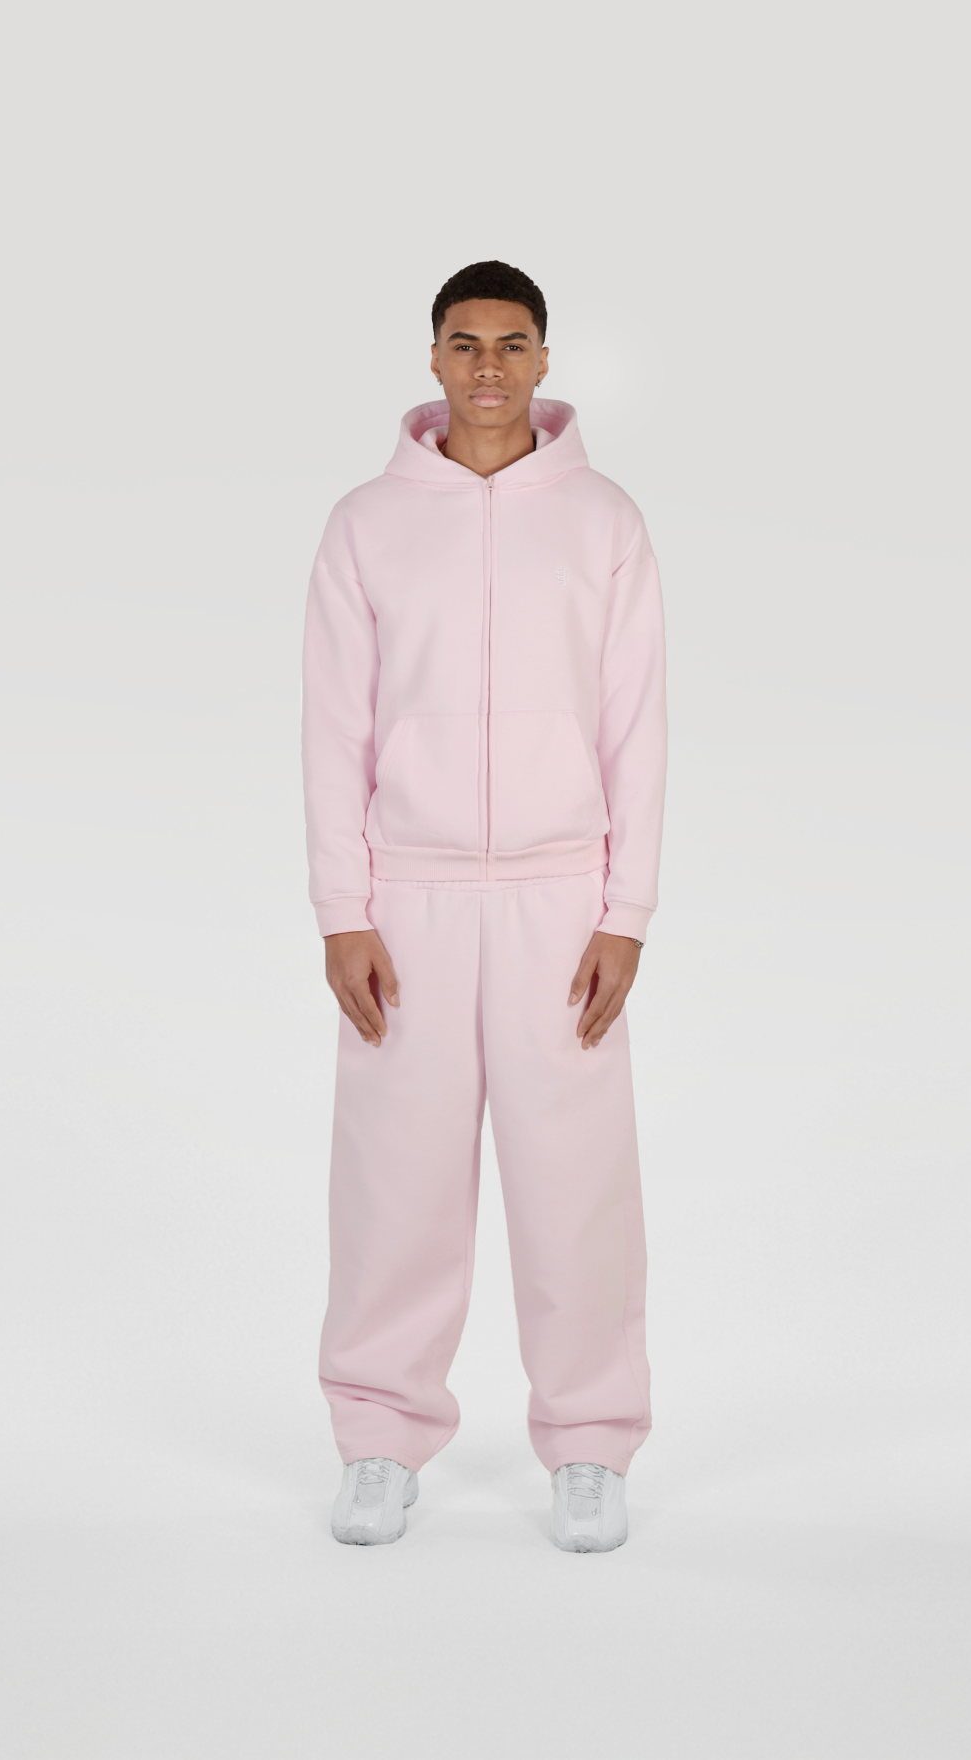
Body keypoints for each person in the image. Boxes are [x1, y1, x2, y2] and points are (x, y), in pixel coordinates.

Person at [300, 259, 667, 1553]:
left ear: (546, 359)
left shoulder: (605, 522)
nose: (490, 367)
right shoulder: (366, 524)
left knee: (578, 1184)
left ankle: (591, 1443)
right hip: (411, 895)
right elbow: (335, 727)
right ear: (434, 358)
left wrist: (625, 912)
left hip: (563, 898)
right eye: (466, 343)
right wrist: (344, 907)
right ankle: (379, 1438)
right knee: (393, 1181)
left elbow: (637, 727)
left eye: (514, 343)